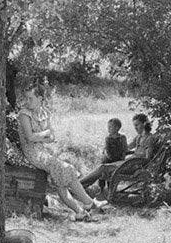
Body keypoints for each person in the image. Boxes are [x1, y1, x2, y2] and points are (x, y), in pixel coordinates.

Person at [16, 85, 110, 220]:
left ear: (40, 98)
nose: (27, 101)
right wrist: (45, 134)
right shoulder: (24, 114)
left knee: (61, 180)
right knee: (67, 168)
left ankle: (79, 211)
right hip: (33, 152)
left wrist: (44, 136)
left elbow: (52, 137)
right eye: (26, 98)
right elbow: (30, 137)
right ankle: (89, 203)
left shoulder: (44, 113)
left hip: (44, 150)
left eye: (31, 98)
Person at [82, 117, 129, 194]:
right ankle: (101, 190)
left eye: (110, 127)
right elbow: (107, 150)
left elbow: (125, 149)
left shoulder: (122, 138)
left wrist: (123, 156)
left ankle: (111, 190)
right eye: (108, 127)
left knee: (111, 175)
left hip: (118, 159)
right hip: (109, 158)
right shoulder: (108, 138)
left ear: (117, 128)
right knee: (103, 172)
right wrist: (108, 157)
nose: (108, 129)